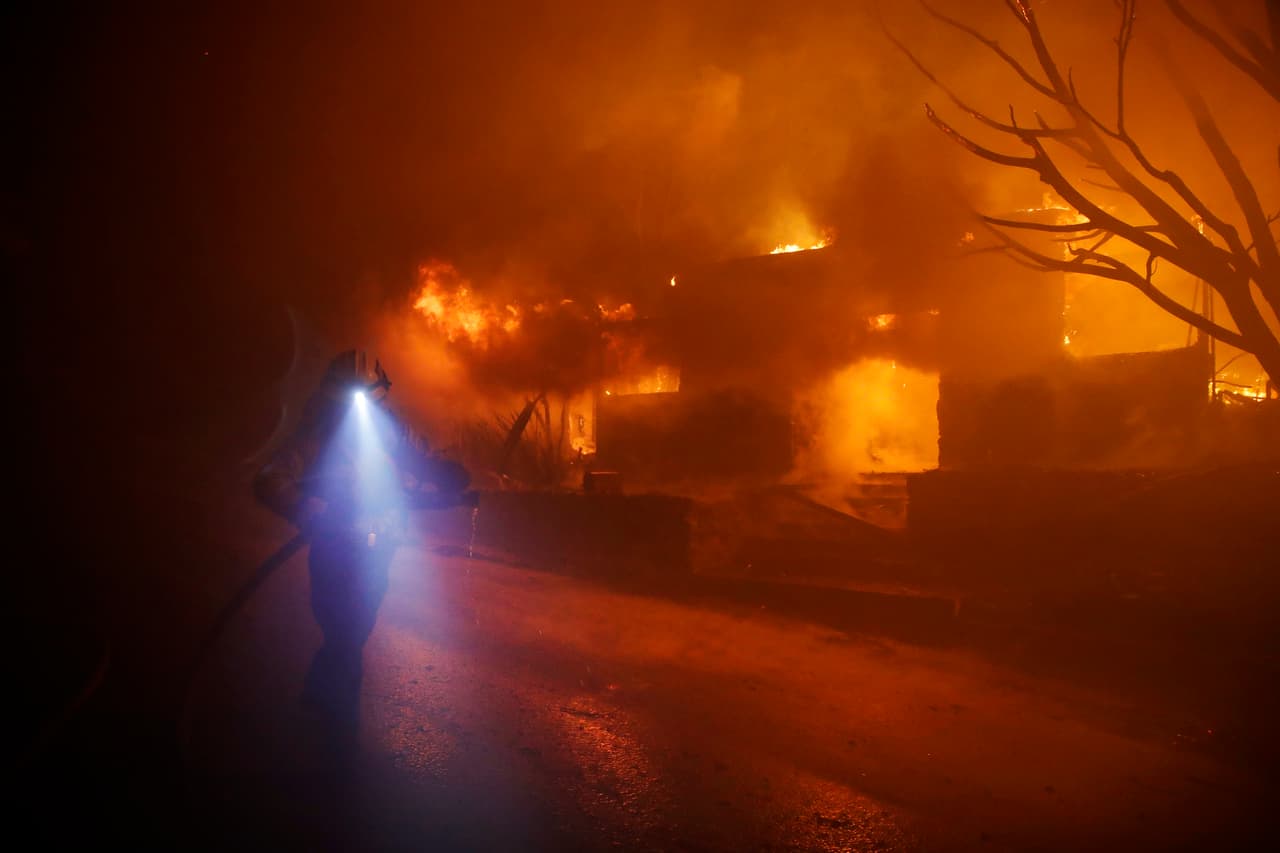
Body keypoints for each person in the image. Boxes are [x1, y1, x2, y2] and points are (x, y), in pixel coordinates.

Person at [253, 349, 473, 754]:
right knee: (345, 630)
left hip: (380, 547)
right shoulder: (315, 435)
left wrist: (446, 480)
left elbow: (417, 465)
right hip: (334, 546)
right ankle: (339, 732)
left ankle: (320, 698)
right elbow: (270, 479)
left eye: (370, 399)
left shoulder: (392, 431)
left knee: (353, 630)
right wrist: (305, 507)